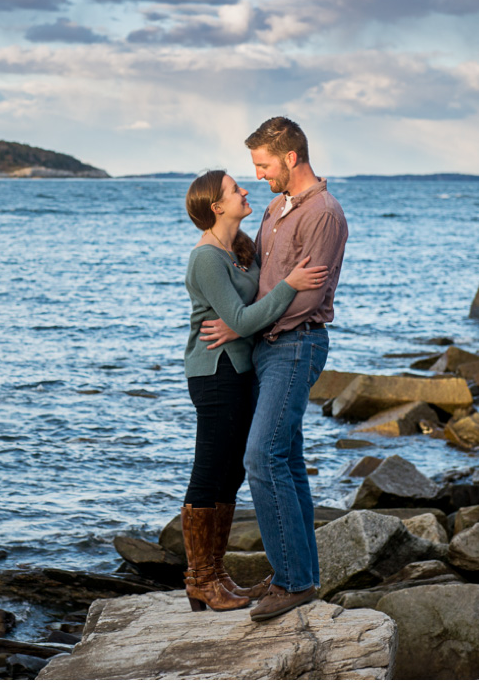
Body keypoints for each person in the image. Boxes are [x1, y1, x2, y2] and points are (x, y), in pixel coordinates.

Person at [199, 117, 348, 622]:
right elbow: (260, 275)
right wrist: (232, 316)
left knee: (261, 456)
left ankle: (292, 582)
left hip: (295, 344)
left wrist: (240, 327)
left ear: (290, 158)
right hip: (266, 347)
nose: (258, 175)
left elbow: (305, 299)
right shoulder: (275, 207)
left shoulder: (323, 213)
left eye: (263, 165)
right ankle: (301, 575)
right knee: (285, 461)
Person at [179, 169, 329, 612]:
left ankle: (216, 572)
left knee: (234, 472)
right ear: (216, 207)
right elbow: (243, 320)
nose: (245, 189)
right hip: (214, 372)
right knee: (210, 470)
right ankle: (199, 578)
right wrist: (291, 286)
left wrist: (245, 321)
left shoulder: (240, 249)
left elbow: (245, 316)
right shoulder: (206, 258)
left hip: (240, 368)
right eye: (234, 189)